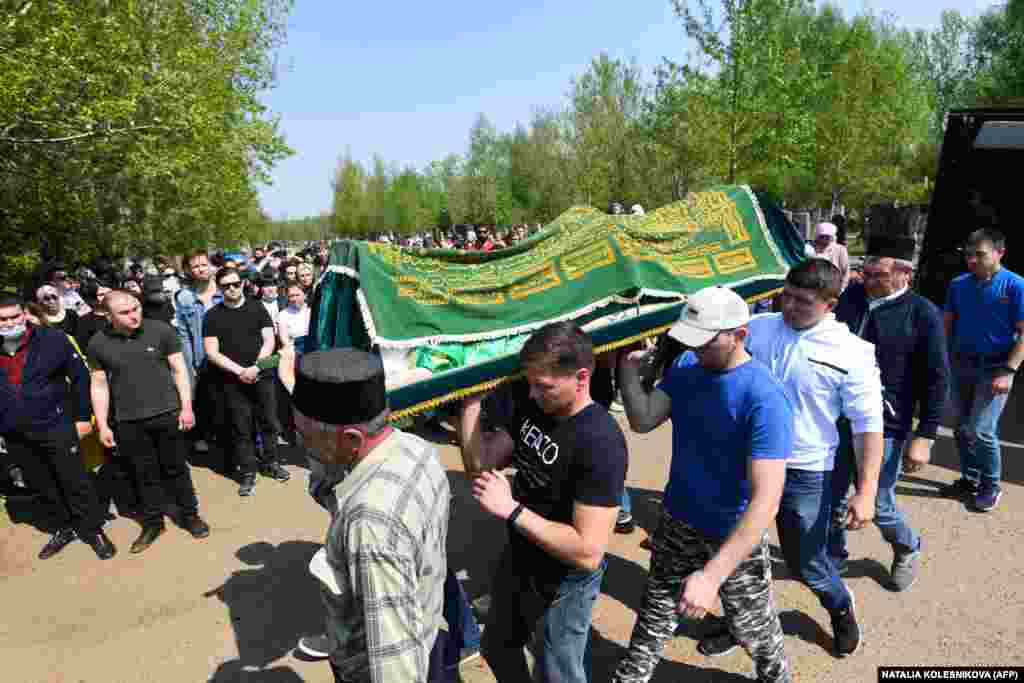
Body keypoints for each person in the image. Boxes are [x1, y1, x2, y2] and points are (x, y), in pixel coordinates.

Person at [701, 259, 883, 658]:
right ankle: (743, 622)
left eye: (804, 302)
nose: (790, 307)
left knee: (804, 561)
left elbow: (868, 427)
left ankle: (839, 605)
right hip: (745, 460)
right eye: (786, 296)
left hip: (805, 471)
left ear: (831, 303)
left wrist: (867, 491)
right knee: (738, 549)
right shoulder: (758, 327)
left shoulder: (852, 352)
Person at [611, 286, 792, 683]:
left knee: (753, 628)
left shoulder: (765, 398)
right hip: (677, 521)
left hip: (733, 533)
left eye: (707, 342)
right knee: (656, 612)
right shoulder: (688, 370)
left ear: (740, 335)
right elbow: (642, 420)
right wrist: (626, 370)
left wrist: (711, 577)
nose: (696, 350)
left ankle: (776, 677)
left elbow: (766, 502)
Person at [458, 322, 627, 683]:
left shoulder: (601, 442)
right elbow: (482, 462)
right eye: (530, 382)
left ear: (581, 378)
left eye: (544, 386)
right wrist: (471, 402)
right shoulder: (533, 404)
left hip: (565, 581)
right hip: (521, 558)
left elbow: (588, 551)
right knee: (498, 647)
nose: (532, 394)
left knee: (557, 674)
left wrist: (513, 509)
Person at [289, 349, 451, 682]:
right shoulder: (416, 449)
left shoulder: (371, 523)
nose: (299, 444)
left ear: (351, 439)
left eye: (305, 436)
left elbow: (395, 665)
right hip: (428, 632)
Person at [828, 236, 949, 590]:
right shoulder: (851, 298)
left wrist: (924, 436)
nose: (866, 280)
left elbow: (937, 379)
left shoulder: (923, 313)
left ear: (904, 275)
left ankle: (907, 546)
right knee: (832, 495)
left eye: (877, 275)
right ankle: (833, 557)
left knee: (878, 502)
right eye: (864, 272)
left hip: (887, 425)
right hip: (837, 417)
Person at [87, 292, 210, 553]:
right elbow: (98, 385)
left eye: (136, 308)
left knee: (176, 468)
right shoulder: (98, 343)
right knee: (144, 474)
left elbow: (180, 371)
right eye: (125, 312)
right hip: (128, 421)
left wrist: (187, 407)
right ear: (108, 316)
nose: (134, 315)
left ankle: (190, 515)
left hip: (167, 414)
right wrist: (103, 424)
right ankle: (153, 523)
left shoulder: (161, 331)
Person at [0, 295, 115, 560]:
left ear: (24, 314)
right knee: (42, 483)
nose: (9, 323)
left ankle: (92, 529)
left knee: (74, 480)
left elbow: (80, 378)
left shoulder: (52, 339)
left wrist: (83, 418)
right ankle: (64, 527)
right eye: (3, 319)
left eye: (14, 316)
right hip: (15, 432)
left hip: (56, 424)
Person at [941, 227, 1024, 511]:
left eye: (980, 254)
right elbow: (948, 322)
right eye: (968, 255)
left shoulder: (1015, 286)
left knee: (981, 429)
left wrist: (1009, 370)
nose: (972, 260)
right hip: (962, 364)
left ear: (1000, 253)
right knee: (962, 429)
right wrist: (942, 359)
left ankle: (991, 485)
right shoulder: (958, 284)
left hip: (995, 368)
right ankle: (970, 478)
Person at [203, 267, 290, 496]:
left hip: (262, 375)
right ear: (219, 288)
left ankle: (271, 462)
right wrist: (240, 371)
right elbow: (211, 352)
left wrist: (255, 367)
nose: (232, 289)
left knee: (269, 422)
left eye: (235, 284)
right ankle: (249, 470)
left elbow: (269, 340)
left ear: (243, 283)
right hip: (231, 380)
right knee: (241, 427)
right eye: (226, 286)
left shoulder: (257, 306)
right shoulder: (212, 316)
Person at [175, 250, 223, 452]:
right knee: (203, 397)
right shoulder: (184, 297)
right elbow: (184, 334)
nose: (200, 269)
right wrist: (189, 363)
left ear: (212, 266)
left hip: (228, 353)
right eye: (195, 266)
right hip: (201, 356)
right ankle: (203, 435)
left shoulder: (227, 288)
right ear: (188, 270)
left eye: (204, 264)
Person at [808, 222, 850, 293]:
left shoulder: (840, 249)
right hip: (813, 288)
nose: (824, 238)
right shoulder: (809, 248)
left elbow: (845, 272)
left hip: (833, 289)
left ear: (832, 236)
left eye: (827, 236)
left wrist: (842, 289)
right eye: (822, 236)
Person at [277, 283, 311, 355]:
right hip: (294, 348)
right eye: (292, 296)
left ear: (305, 295)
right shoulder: (283, 315)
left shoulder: (312, 311)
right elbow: (284, 339)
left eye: (297, 295)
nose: (295, 299)